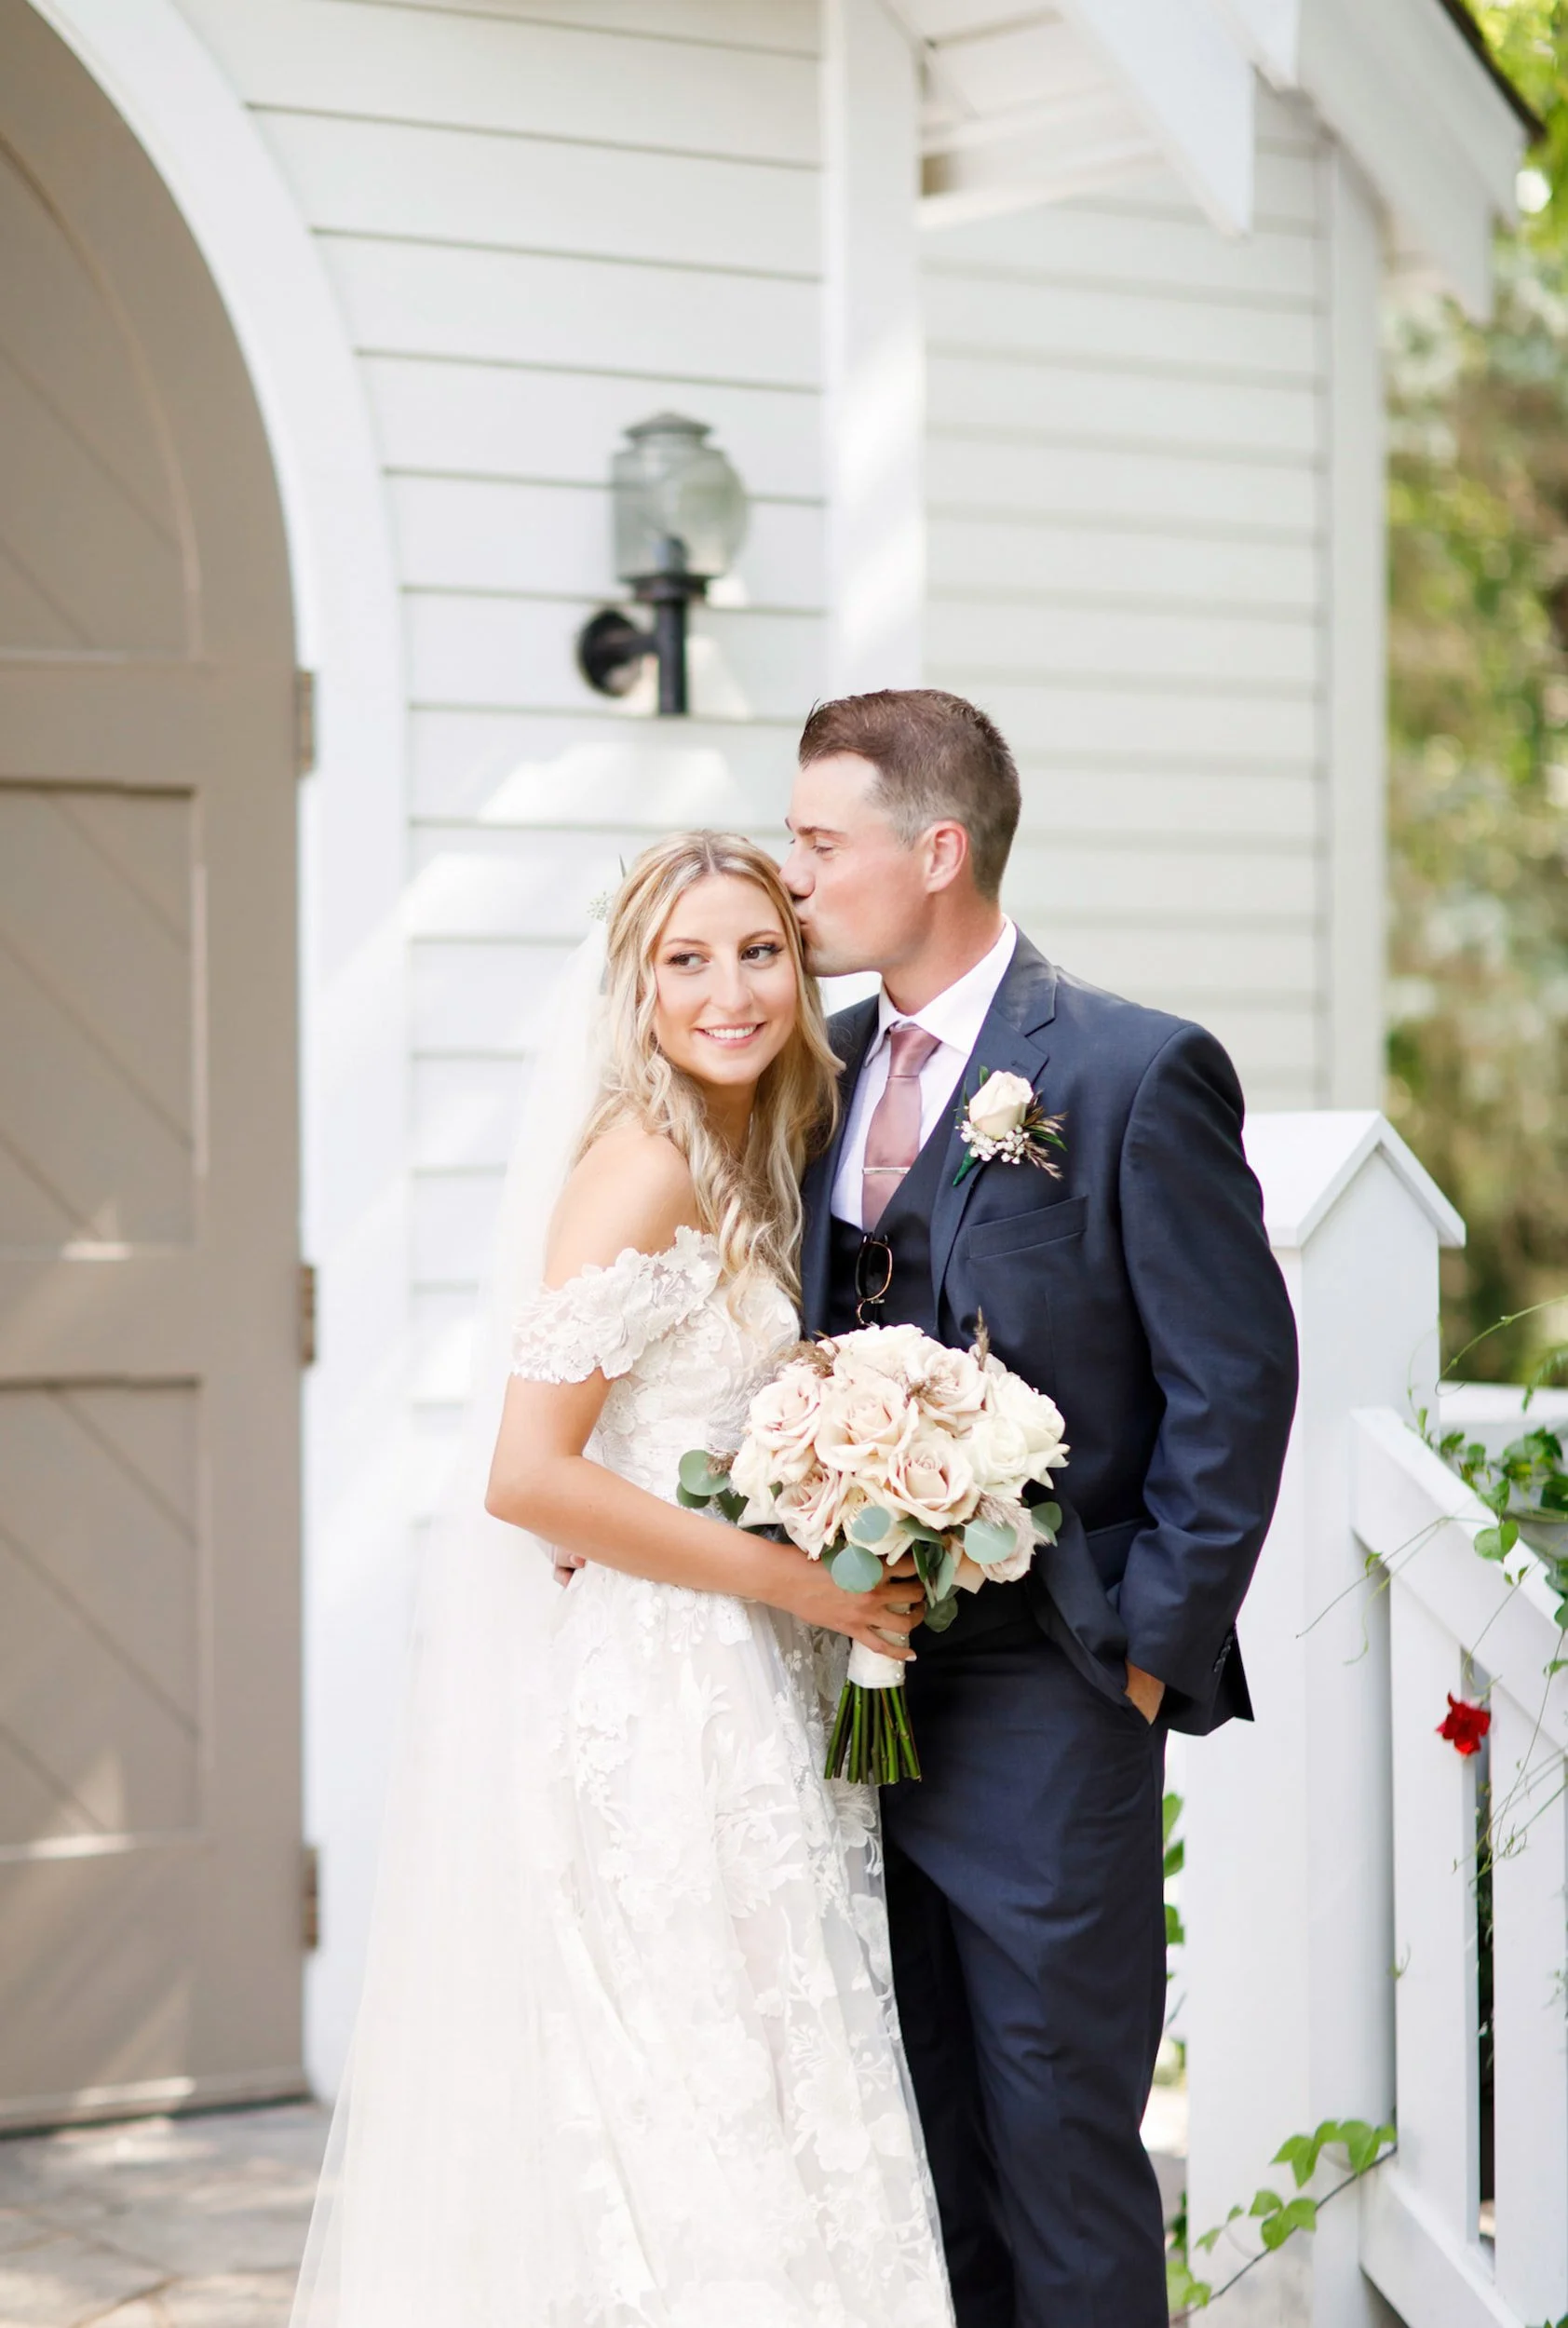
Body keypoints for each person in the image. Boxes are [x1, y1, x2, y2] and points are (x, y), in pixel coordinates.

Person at [289, 833, 953, 2328]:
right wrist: (803, 1586)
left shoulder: (741, 1156)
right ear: (635, 988)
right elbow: (529, 1474)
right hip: (666, 1695)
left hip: (731, 1673)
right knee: (696, 2091)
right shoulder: (645, 1165)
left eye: (761, 951)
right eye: (688, 960)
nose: (732, 990)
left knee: (759, 2074)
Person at [781, 689, 1300, 2328]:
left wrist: (1144, 1654)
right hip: (837, 1687)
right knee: (909, 2128)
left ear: (936, 850)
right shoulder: (820, 1071)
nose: (793, 881)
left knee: (1060, 2135)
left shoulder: (1135, 1070)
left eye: (817, 843)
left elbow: (1235, 1384)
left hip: (1051, 1690)